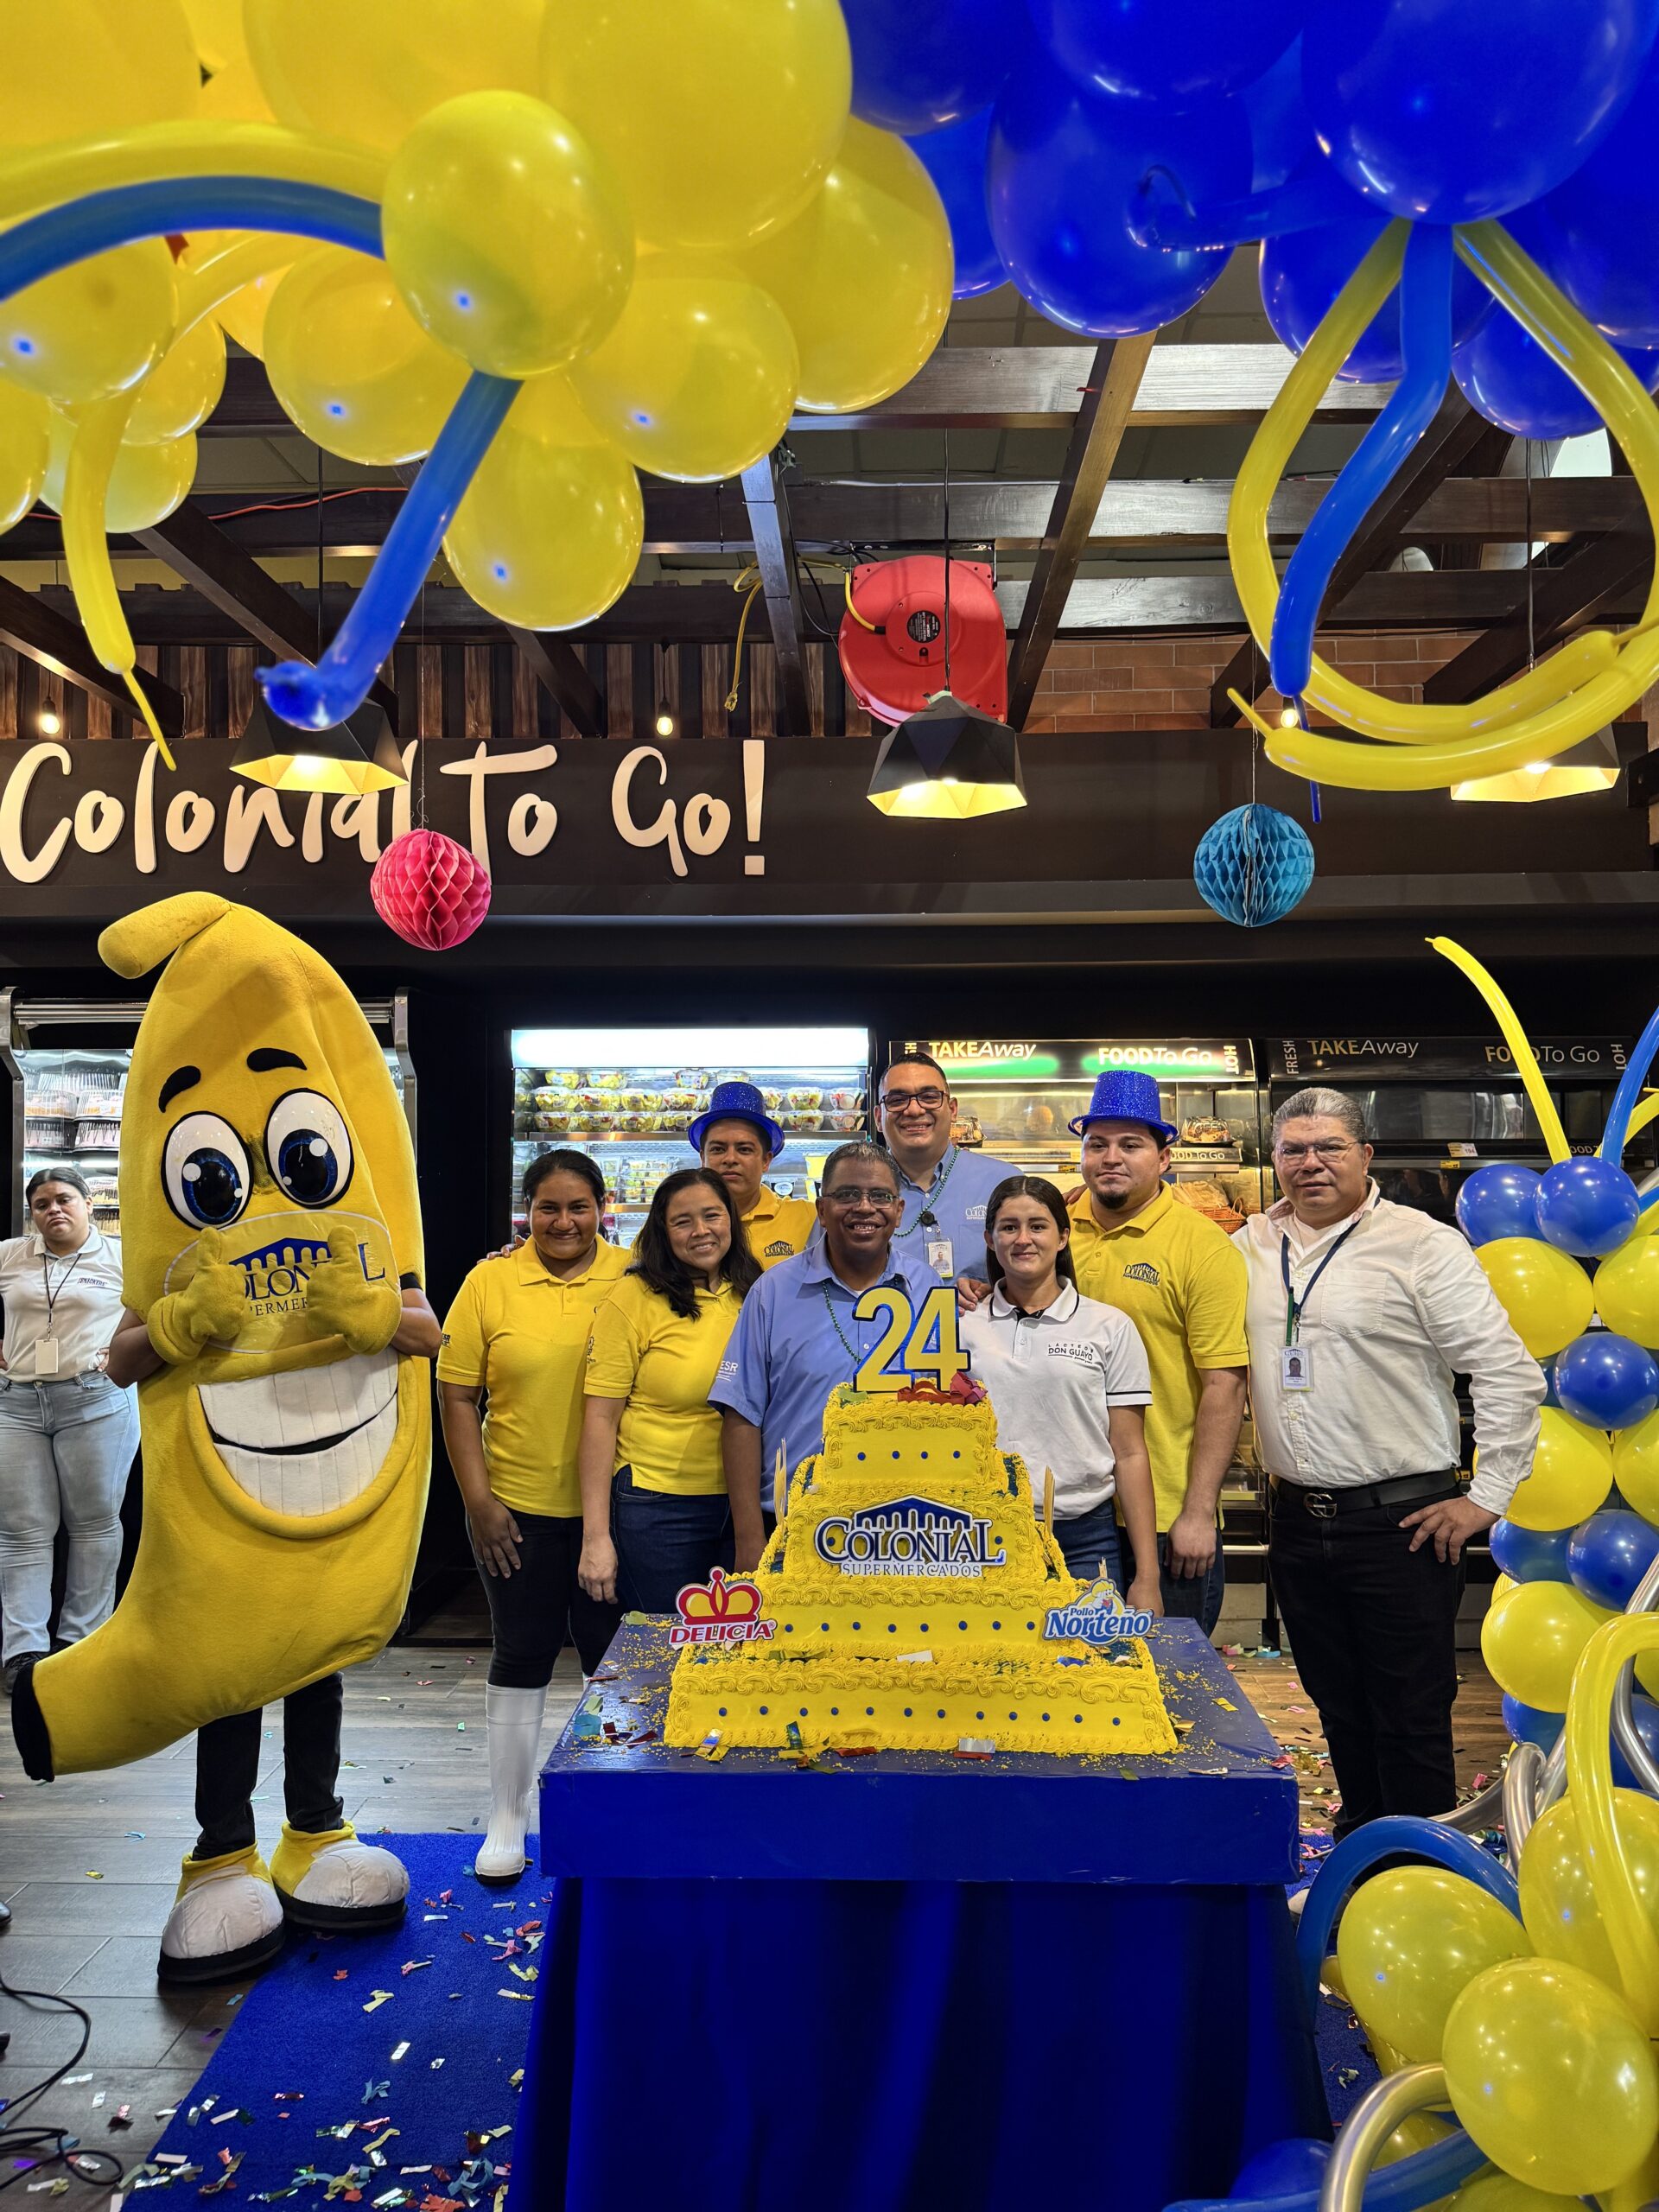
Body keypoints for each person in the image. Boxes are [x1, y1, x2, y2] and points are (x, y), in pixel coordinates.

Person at [1237, 1086, 1545, 1838]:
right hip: (1297, 1524)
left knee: (1409, 1714)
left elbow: (1507, 1372)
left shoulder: (1421, 1245)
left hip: (1403, 1525)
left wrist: (1487, 1496)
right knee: (1338, 1706)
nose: (1311, 1163)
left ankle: (1421, 1872)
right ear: (1274, 1160)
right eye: (1294, 1150)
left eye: (1329, 1147)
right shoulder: (1249, 1245)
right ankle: (1363, 1857)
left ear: (1366, 1155)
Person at [437, 1149, 629, 1884]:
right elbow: (457, 1397)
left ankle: (607, 1812)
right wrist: (479, 1502)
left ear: (603, 1209)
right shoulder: (489, 1281)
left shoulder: (635, 1275)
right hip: (516, 1509)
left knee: (614, 1659)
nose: (564, 1222)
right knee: (521, 1652)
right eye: (548, 1207)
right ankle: (507, 1818)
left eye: (579, 1207)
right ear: (527, 1212)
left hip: (615, 1509)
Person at [1059, 1071, 1248, 1636]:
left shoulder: (1202, 1247)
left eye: (1130, 1145)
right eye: (1097, 1144)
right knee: (1078, 1679)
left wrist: (1198, 1511)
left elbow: (1225, 1384)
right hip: (1073, 1509)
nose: (1110, 1158)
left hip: (1167, 1511)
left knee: (1168, 1678)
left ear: (1164, 1158)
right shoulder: (1055, 1232)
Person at [710, 1141, 944, 1571]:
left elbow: (945, 1400)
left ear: (899, 1211)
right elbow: (741, 1417)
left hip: (904, 1529)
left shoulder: (927, 1285)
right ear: (821, 1209)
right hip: (790, 1528)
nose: (865, 1207)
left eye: (880, 1196)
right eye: (847, 1194)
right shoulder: (773, 1291)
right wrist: (749, 1538)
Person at [960, 1176, 1161, 1611]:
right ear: (990, 1240)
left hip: (1084, 1538)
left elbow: (1129, 1452)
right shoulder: (962, 1326)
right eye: (1009, 1227)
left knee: (1087, 1655)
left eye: (1038, 1226)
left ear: (1063, 1236)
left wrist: (1148, 1576)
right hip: (982, 1535)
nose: (1023, 1239)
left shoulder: (1109, 1326)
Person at [577, 1168, 758, 1615]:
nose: (701, 1231)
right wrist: (595, 1537)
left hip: (747, 1505)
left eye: (712, 1215)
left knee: (737, 1645)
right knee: (667, 1644)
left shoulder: (756, 1291)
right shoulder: (632, 1298)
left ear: (731, 1219)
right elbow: (600, 1419)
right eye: (682, 1221)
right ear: (662, 1230)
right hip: (658, 1508)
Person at [0, 1166, 137, 1694]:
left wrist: (119, 1347)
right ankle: (24, 1653)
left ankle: (82, 1644)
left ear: (88, 1204)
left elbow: (155, 1310)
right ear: (32, 1213)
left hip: (96, 1400)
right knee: (22, 1530)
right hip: (16, 1403)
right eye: (41, 1204)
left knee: (95, 1525)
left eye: (63, 1199)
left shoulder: (121, 1257)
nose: (53, 1210)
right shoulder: (12, 1255)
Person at [875, 1052, 1016, 1284]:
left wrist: (999, 1291)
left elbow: (1037, 1276)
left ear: (952, 1110)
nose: (914, 1110)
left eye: (929, 1097)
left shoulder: (1004, 1183)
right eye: (897, 1100)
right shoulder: (854, 1196)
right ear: (879, 1117)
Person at [688, 1080, 817, 1268]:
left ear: (766, 1160)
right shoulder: (676, 1222)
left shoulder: (808, 1217)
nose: (730, 1159)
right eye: (717, 1149)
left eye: (744, 1149)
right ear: (703, 1158)